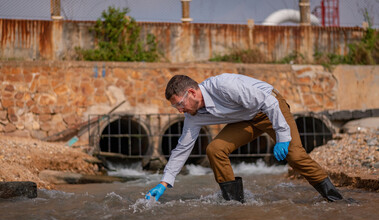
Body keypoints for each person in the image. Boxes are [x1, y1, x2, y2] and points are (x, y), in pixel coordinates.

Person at [145, 73, 344, 203]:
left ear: (191, 92)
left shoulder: (224, 86)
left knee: (295, 156)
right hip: (246, 119)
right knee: (215, 150)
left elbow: (269, 103)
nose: (180, 111)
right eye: (175, 108)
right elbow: (182, 148)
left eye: (179, 104)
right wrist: (164, 182)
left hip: (269, 108)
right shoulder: (193, 115)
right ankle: (234, 202)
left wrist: (283, 137)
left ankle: (336, 198)